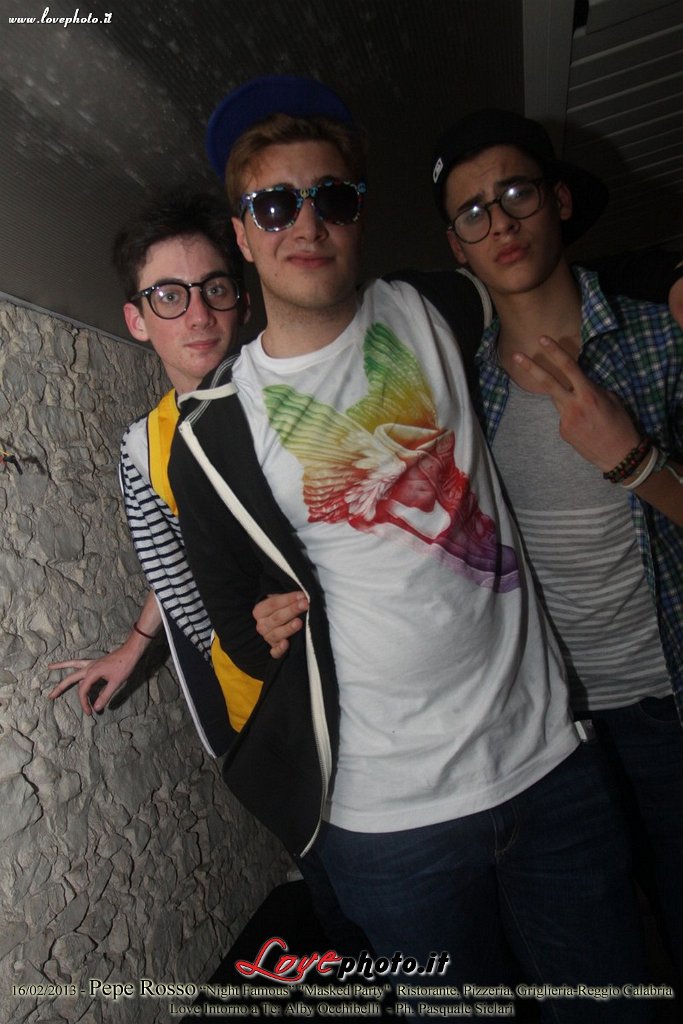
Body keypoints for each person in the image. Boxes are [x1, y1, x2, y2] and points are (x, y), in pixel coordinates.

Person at [168, 74, 655, 1020]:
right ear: (242, 233)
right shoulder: (213, 433)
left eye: (332, 197)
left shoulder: (434, 307)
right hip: (388, 824)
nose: (306, 223)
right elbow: (228, 620)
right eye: (275, 204)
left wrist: (663, 271)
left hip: (549, 769)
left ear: (360, 214)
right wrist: (261, 629)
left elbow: (546, 271)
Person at [428, 107, 683, 987]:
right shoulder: (461, 392)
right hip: (547, 733)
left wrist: (635, 461)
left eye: (516, 193)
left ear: (559, 201)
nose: (499, 222)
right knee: (597, 968)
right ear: (456, 247)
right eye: (472, 212)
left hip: (666, 704)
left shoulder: (660, 337)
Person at [48, 188, 260, 756]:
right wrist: (134, 646)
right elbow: (177, 564)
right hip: (255, 698)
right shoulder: (144, 447)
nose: (198, 315)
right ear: (136, 320)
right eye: (169, 296)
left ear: (242, 303)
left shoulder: (301, 396)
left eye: (215, 289)